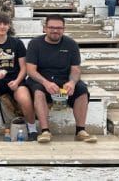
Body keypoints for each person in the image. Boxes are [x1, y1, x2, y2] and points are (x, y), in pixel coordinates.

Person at [26, 14, 97, 143]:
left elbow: (75, 70)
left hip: (64, 79)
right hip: (42, 79)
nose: (55, 30)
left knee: (82, 89)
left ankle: (80, 130)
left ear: (64, 29)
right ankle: (45, 131)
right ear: (45, 28)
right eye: (51, 27)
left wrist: (72, 82)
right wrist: (46, 83)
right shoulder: (35, 44)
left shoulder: (71, 44)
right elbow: (30, 70)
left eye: (59, 28)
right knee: (38, 91)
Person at [0, 13, 37, 141]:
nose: (2, 27)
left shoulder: (17, 43)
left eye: (5, 24)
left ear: (9, 25)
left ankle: (32, 128)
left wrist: (17, 81)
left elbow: (24, 68)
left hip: (16, 80)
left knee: (25, 99)